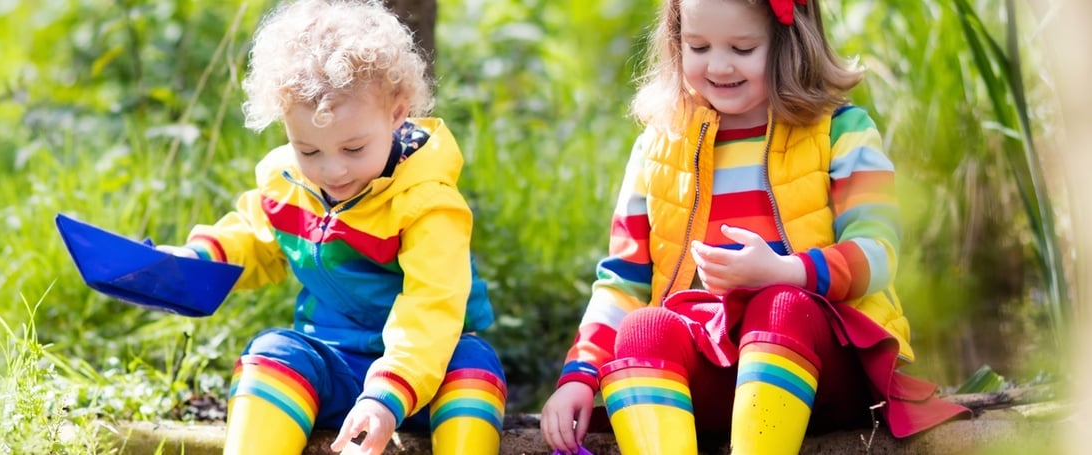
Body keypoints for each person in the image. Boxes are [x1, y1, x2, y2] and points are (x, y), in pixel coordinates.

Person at [539, 0, 969, 453]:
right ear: (675, 41)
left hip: (823, 368)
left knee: (780, 305)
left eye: (743, 49)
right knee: (644, 328)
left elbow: (878, 252)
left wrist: (787, 273)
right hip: (709, 372)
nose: (719, 66)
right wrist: (580, 376)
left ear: (789, 43)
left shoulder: (841, 130)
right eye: (698, 46)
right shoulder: (657, 148)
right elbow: (622, 282)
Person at [156, 1, 506, 454]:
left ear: (397, 113)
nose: (333, 170)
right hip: (334, 363)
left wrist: (386, 396)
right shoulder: (289, 182)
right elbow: (255, 239)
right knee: (273, 351)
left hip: (424, 373)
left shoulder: (426, 202)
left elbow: (432, 307)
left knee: (473, 363)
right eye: (310, 150)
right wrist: (194, 261)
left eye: (354, 147)